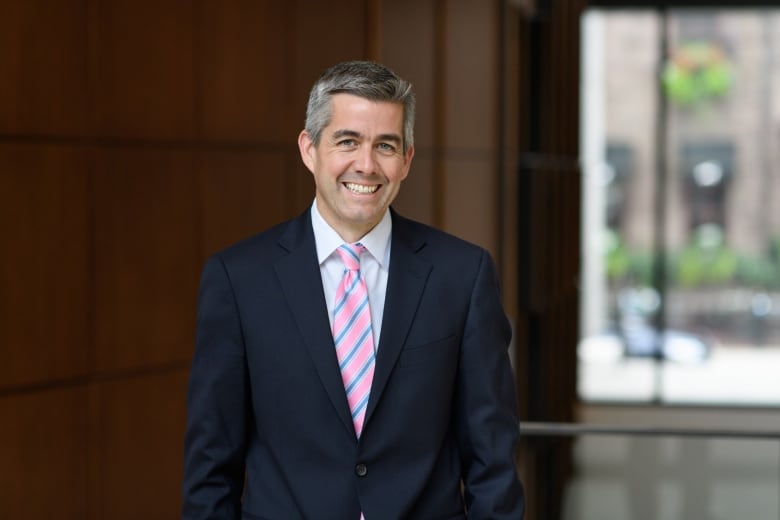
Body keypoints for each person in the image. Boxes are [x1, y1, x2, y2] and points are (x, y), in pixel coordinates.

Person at [182, 60, 525, 519]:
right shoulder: (239, 279)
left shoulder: (462, 275)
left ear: (406, 160)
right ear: (309, 149)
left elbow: (493, 461)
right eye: (348, 141)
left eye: (386, 145)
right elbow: (210, 467)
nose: (366, 165)